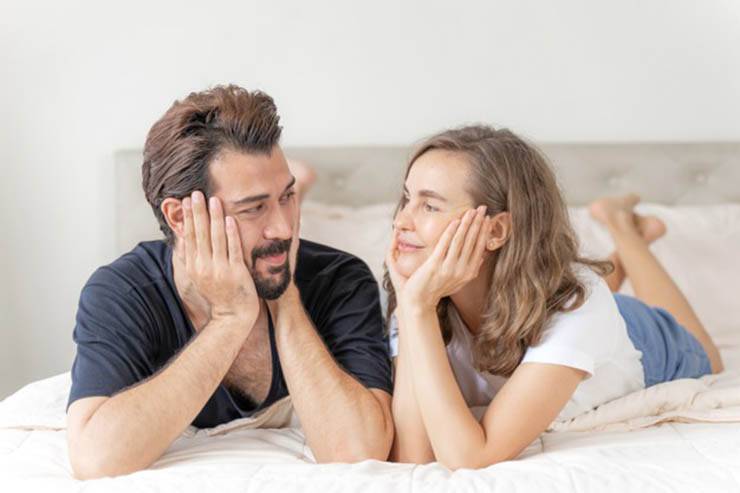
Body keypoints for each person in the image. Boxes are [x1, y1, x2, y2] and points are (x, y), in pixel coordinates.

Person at [66, 85, 393, 479]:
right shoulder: (123, 292)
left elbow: (358, 452)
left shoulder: (341, 280)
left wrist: (285, 296)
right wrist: (229, 318)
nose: (283, 227)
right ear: (181, 218)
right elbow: (95, 459)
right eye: (253, 208)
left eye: (287, 197)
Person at [384, 125, 724, 470]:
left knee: (709, 356)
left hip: (639, 338)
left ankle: (625, 229)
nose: (401, 221)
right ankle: (620, 248)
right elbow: (413, 455)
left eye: (430, 206)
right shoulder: (418, 295)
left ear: (496, 230)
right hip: (556, 310)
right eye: (407, 199)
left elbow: (470, 457)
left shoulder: (580, 306)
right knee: (575, 296)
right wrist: (414, 309)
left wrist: (417, 309)